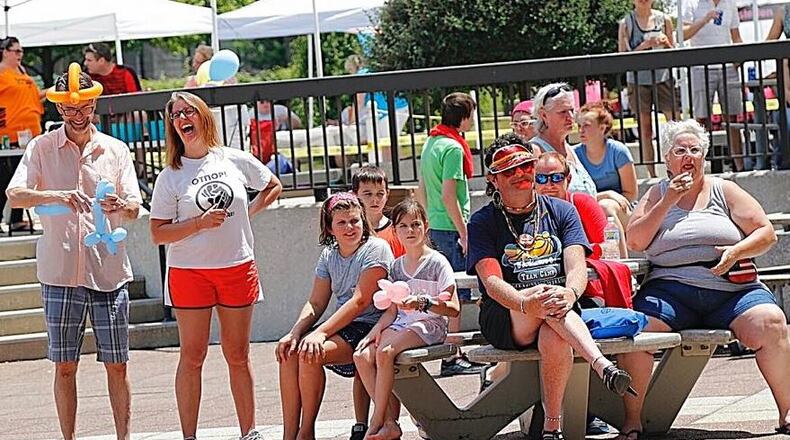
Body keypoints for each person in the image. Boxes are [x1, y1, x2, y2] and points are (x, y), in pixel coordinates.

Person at [617, 119, 790, 439]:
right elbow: (636, 240)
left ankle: (787, 411)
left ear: (704, 157)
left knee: (771, 321)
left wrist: (736, 251)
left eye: (695, 150)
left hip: (731, 290)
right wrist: (667, 201)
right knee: (636, 329)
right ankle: (632, 420)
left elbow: (766, 233)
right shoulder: (656, 194)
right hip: (670, 290)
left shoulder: (724, 190)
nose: (688, 156)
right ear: (667, 159)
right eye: (680, 151)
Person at [5, 63, 142, 440]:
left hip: (108, 272)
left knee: (118, 365)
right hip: (60, 273)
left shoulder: (115, 149)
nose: (77, 115)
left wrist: (121, 206)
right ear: (58, 108)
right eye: (68, 109)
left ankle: (124, 437)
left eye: (83, 108)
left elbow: (135, 206)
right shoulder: (41, 147)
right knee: (65, 365)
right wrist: (58, 195)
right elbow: (15, 194)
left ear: (94, 105)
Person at [467, 134, 635, 440]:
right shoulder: (483, 221)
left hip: (560, 310)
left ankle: (552, 427)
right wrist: (525, 302)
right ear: (493, 179)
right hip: (507, 314)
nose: (520, 174)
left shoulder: (561, 211)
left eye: (526, 166)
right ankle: (601, 365)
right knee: (543, 296)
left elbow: (576, 267)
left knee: (553, 333)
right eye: (509, 170)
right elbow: (491, 283)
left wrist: (571, 293)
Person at [148, 91, 282, 440]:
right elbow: (158, 233)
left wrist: (248, 212)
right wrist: (198, 224)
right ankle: (189, 436)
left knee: (238, 354)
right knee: (192, 356)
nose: (182, 118)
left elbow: (272, 185)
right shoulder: (170, 176)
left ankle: (249, 432)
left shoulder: (232, 159)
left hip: (237, 266)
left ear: (203, 116)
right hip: (189, 272)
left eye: (188, 111)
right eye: (176, 115)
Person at [276, 192, 394, 440]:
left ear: (363, 221)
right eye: (342, 222)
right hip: (344, 325)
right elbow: (316, 302)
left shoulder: (376, 248)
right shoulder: (329, 254)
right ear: (330, 228)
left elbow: (360, 301)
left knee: (309, 352)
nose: (350, 227)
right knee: (289, 352)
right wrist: (295, 332)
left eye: (355, 221)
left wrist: (320, 333)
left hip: (372, 326)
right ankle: (289, 434)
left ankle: (306, 432)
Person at [354, 198, 461, 440]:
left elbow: (453, 308)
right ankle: (389, 422)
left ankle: (376, 421)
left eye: (415, 224)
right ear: (395, 230)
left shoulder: (437, 262)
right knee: (361, 355)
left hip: (429, 324)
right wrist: (374, 331)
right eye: (403, 226)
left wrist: (423, 303)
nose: (410, 230)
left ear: (425, 226)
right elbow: (392, 312)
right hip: (401, 324)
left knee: (385, 353)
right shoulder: (396, 267)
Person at [416, 91, 483, 377]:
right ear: (464, 116)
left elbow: (421, 188)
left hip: (434, 224)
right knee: (454, 292)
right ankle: (452, 355)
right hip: (450, 226)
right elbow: (449, 195)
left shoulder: (431, 142)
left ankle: (450, 353)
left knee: (445, 290)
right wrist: (464, 233)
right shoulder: (454, 148)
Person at [347, 165, 404, 440]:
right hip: (361, 313)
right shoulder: (351, 233)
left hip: (391, 312)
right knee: (361, 367)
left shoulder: (396, 230)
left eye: (380, 193)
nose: (374, 199)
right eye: (367, 193)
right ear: (355, 195)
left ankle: (388, 420)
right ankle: (361, 423)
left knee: (383, 363)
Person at [682, 0, 745, 171]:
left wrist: (739, 59)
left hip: (727, 67)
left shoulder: (729, 4)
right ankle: (697, 167)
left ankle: (739, 166)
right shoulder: (691, 4)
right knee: (701, 119)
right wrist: (704, 20)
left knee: (732, 118)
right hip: (700, 66)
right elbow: (683, 34)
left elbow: (736, 36)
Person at [618, 0, 677, 178]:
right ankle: (652, 174)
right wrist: (645, 45)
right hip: (638, 80)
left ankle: (676, 167)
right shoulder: (626, 23)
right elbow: (622, 56)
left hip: (664, 77)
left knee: (674, 124)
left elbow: (674, 52)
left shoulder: (664, 19)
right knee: (645, 128)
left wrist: (665, 43)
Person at [575, 101, 637, 256]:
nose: (581, 130)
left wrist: (607, 198)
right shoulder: (574, 154)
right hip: (590, 207)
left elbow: (631, 194)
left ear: (602, 128)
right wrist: (607, 194)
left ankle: (623, 263)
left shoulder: (618, 151)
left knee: (605, 207)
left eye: (586, 125)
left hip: (622, 210)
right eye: (579, 126)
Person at [0, 36, 43, 232]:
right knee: (5, 177)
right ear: (5, 52)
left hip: (29, 133)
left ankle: (16, 219)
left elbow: (32, 97)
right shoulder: (2, 72)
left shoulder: (22, 72)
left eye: (21, 51)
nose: (20, 55)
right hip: (8, 134)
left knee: (22, 177)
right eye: (16, 51)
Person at [535, 151, 608, 259]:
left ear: (568, 180)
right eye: (541, 178)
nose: (549, 185)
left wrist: (572, 253)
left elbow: (608, 247)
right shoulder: (526, 210)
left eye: (557, 177)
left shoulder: (583, 203)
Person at [531, 82, 597, 196]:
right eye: (563, 112)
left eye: (572, 110)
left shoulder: (569, 149)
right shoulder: (536, 151)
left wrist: (607, 195)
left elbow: (582, 195)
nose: (570, 117)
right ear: (544, 115)